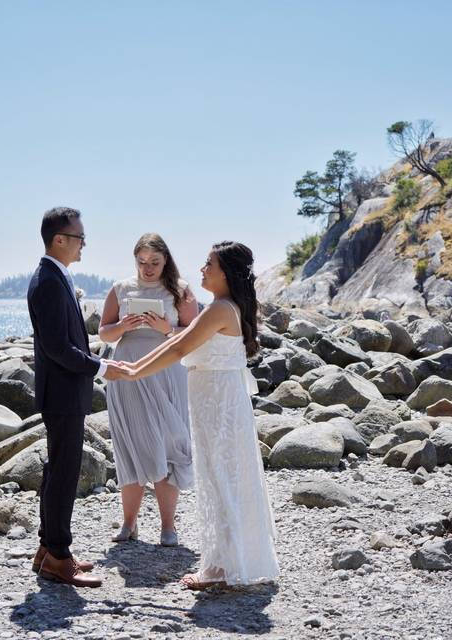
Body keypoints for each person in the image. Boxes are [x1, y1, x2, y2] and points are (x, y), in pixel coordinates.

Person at [118, 241, 279, 590]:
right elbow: (178, 338)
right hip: (219, 401)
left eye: (209, 264)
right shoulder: (226, 307)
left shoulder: (220, 308)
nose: (202, 269)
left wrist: (132, 372)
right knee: (224, 477)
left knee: (220, 478)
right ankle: (228, 562)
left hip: (217, 405)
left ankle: (221, 570)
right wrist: (133, 366)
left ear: (227, 273)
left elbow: (178, 348)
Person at [26, 207, 126, 588]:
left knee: (58, 469)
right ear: (60, 240)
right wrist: (102, 367)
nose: (84, 244)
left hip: (65, 390)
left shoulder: (56, 276)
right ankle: (58, 556)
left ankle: (47, 549)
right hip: (62, 392)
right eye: (80, 237)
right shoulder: (48, 281)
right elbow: (57, 347)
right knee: (64, 472)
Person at [99, 233, 199, 546]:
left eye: (154, 262)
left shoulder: (181, 290)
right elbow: (104, 333)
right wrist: (123, 327)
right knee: (130, 444)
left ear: (166, 260)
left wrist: (165, 329)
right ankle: (129, 523)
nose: (148, 268)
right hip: (127, 367)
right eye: (142, 262)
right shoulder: (121, 288)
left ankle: (168, 527)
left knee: (168, 442)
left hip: (167, 370)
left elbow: (195, 334)